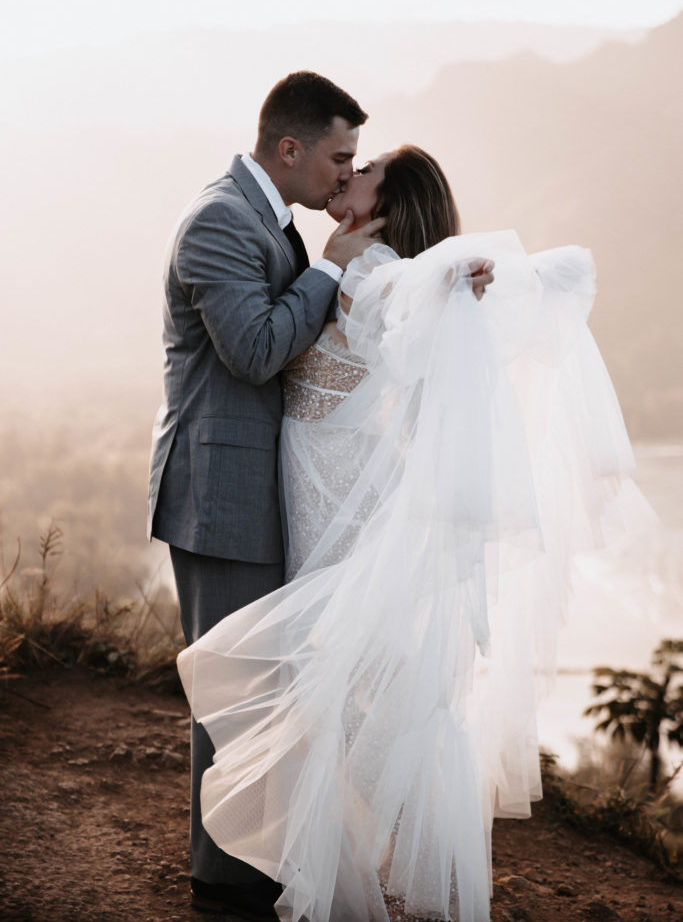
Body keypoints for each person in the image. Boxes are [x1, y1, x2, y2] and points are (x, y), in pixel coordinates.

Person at [177, 146, 640, 921]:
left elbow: (401, 292)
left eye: (362, 173)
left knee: (353, 683)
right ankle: (373, 859)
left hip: (339, 496)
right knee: (348, 676)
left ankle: (407, 866)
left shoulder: (378, 269)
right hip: (325, 482)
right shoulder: (356, 259)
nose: (345, 177)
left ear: (387, 203)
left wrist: (453, 278)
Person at [147, 71, 389, 921]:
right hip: (221, 493)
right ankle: (222, 882)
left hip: (259, 491)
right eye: (338, 156)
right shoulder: (219, 220)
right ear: (290, 149)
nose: (342, 173)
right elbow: (254, 350)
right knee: (233, 687)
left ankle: (249, 860)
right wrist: (328, 269)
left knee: (258, 683)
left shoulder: (270, 219)